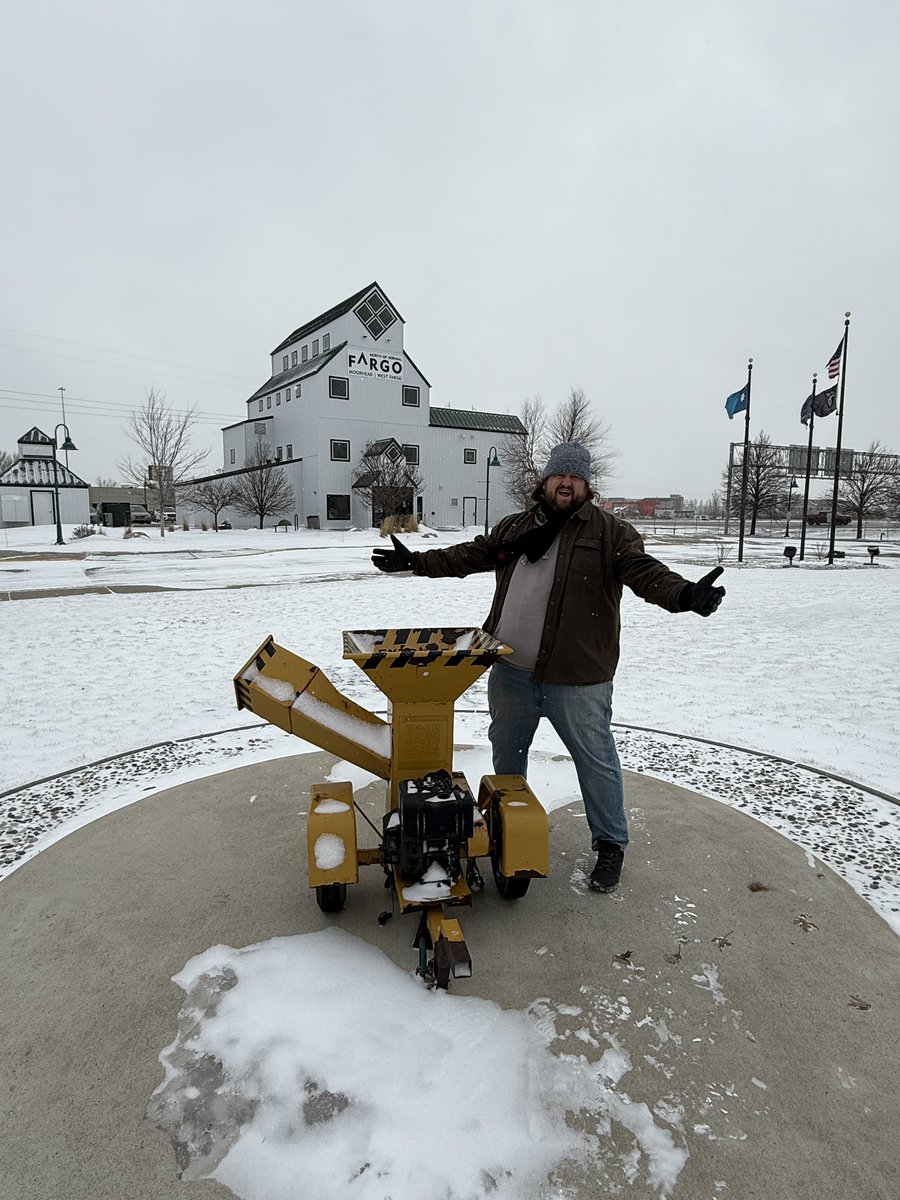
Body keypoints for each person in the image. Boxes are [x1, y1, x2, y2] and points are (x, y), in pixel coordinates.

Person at [372, 442, 726, 892]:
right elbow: (469, 555)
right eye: (559, 475)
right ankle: (507, 826)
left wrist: (684, 595)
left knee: (595, 761)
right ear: (545, 481)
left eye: (575, 477)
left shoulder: (609, 533)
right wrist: (416, 562)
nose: (566, 483)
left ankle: (611, 845)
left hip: (577, 680)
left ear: (586, 485)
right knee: (507, 757)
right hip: (510, 671)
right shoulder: (517, 528)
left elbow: (643, 572)